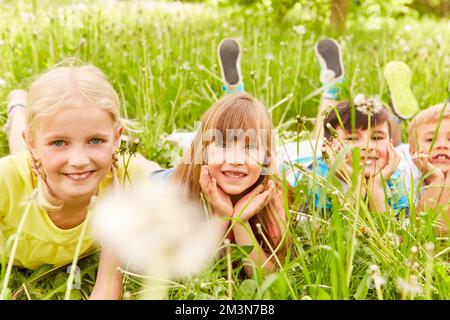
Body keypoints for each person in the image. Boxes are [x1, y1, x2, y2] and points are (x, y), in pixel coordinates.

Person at [0, 63, 159, 299]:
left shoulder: (122, 177)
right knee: (20, 154)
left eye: (95, 140)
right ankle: (17, 109)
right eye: (59, 142)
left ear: (116, 138)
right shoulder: (6, 180)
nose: (78, 160)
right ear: (33, 142)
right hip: (24, 172)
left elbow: (107, 288)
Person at [152, 92, 290, 278]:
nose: (236, 159)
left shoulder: (271, 196)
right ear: (203, 152)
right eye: (223, 145)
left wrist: (240, 221)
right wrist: (221, 217)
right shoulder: (179, 192)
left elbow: (269, 279)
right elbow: (183, 271)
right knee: (143, 167)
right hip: (160, 179)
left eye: (250, 147)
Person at [307, 96, 409, 216]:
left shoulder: (395, 178)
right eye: (352, 138)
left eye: (377, 138)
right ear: (329, 148)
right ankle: (330, 93)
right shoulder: (319, 179)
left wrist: (376, 188)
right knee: (314, 140)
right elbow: (325, 232)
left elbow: (398, 233)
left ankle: (396, 118)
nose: (367, 146)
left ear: (391, 145)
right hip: (303, 158)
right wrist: (356, 184)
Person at [407, 102, 450, 234]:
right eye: (430, 139)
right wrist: (437, 180)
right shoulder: (406, 183)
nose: (442, 145)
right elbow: (416, 237)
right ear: (413, 151)